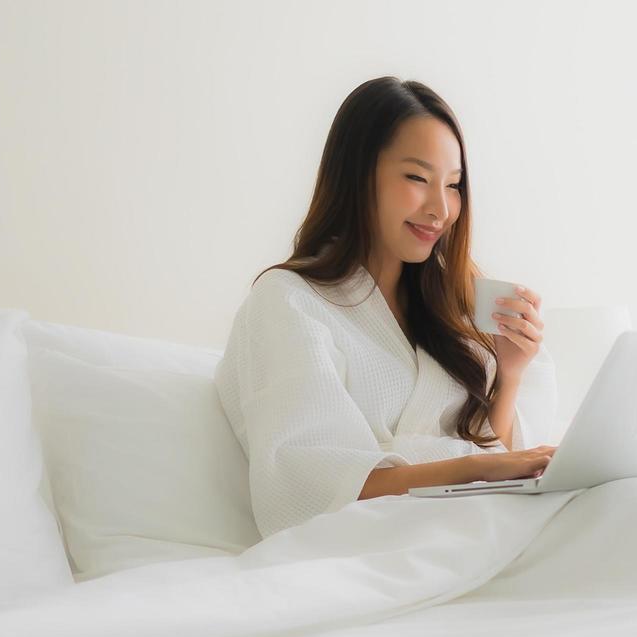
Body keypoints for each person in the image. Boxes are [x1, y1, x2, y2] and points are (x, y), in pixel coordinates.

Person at [215, 76, 558, 539]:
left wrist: (510, 372)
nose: (441, 209)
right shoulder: (286, 303)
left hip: (482, 530)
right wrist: (476, 469)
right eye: (417, 178)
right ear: (358, 174)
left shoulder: (451, 308)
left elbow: (494, 453)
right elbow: (313, 492)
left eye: (454, 185)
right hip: (380, 545)